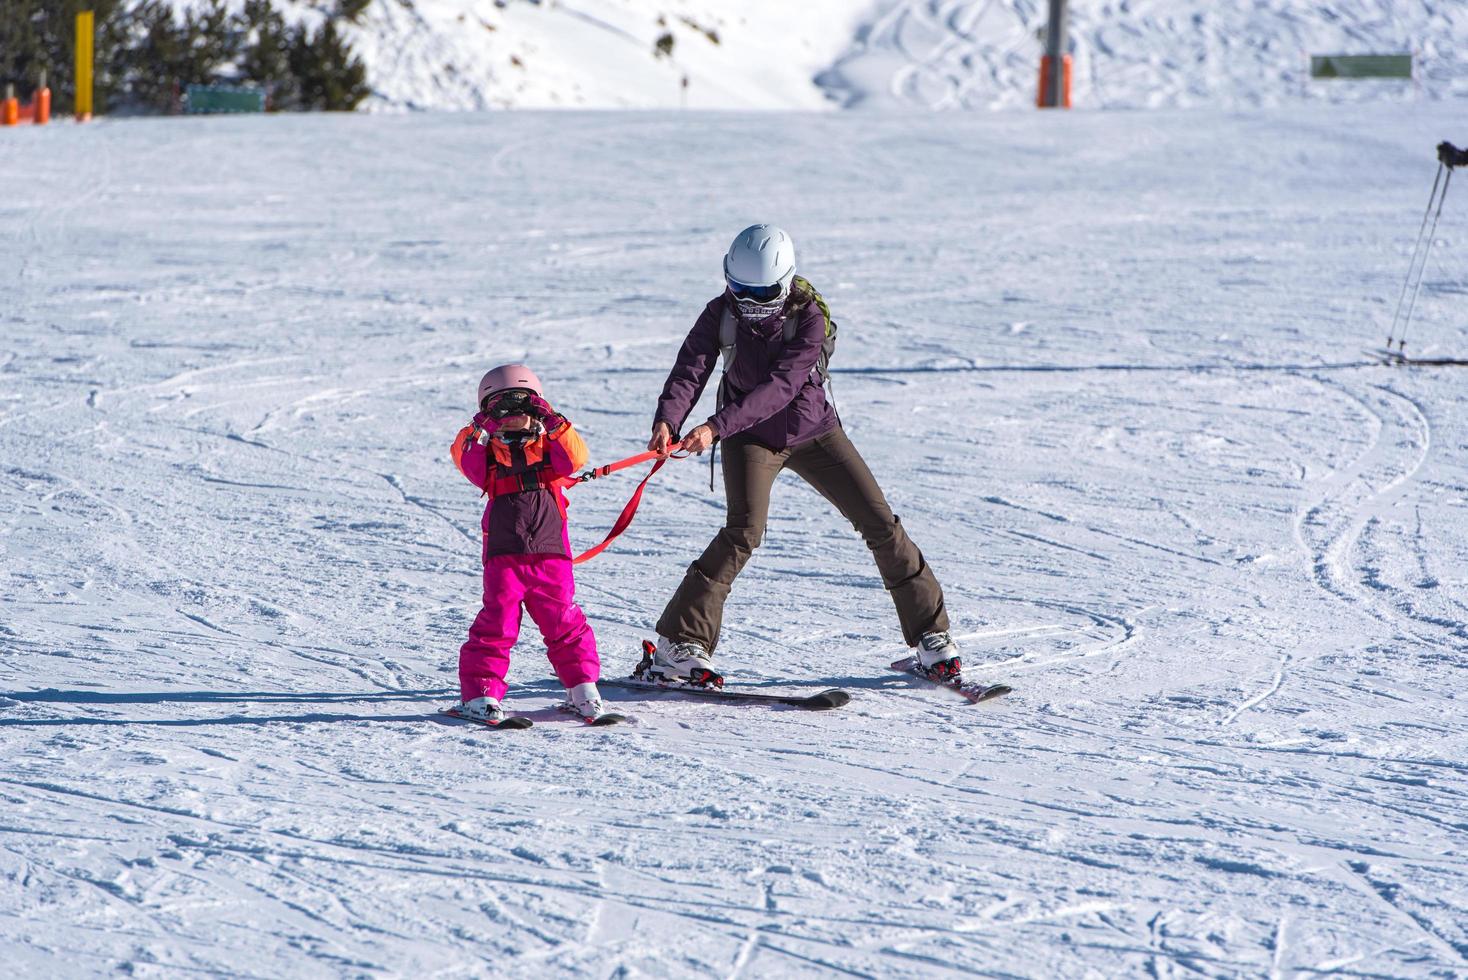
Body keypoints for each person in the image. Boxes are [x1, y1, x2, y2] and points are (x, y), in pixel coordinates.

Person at [644, 224, 961, 685]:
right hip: (750, 438)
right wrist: (668, 419)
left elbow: (781, 387)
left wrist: (715, 426)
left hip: (814, 433)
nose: (749, 302)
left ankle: (931, 636)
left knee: (880, 523)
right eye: (739, 289)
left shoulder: (808, 318)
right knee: (742, 533)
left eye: (763, 292)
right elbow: (691, 365)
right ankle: (679, 643)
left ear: (786, 281)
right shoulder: (721, 313)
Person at [449, 364, 606, 722]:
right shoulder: (487, 455)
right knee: (497, 623)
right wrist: (483, 425)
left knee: (563, 622)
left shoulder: (550, 448)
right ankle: (481, 694)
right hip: (505, 557)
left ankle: (583, 689)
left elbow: (576, 457)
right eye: (501, 410)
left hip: (551, 554)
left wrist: (552, 420)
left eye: (521, 408)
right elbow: (464, 457)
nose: (511, 418)